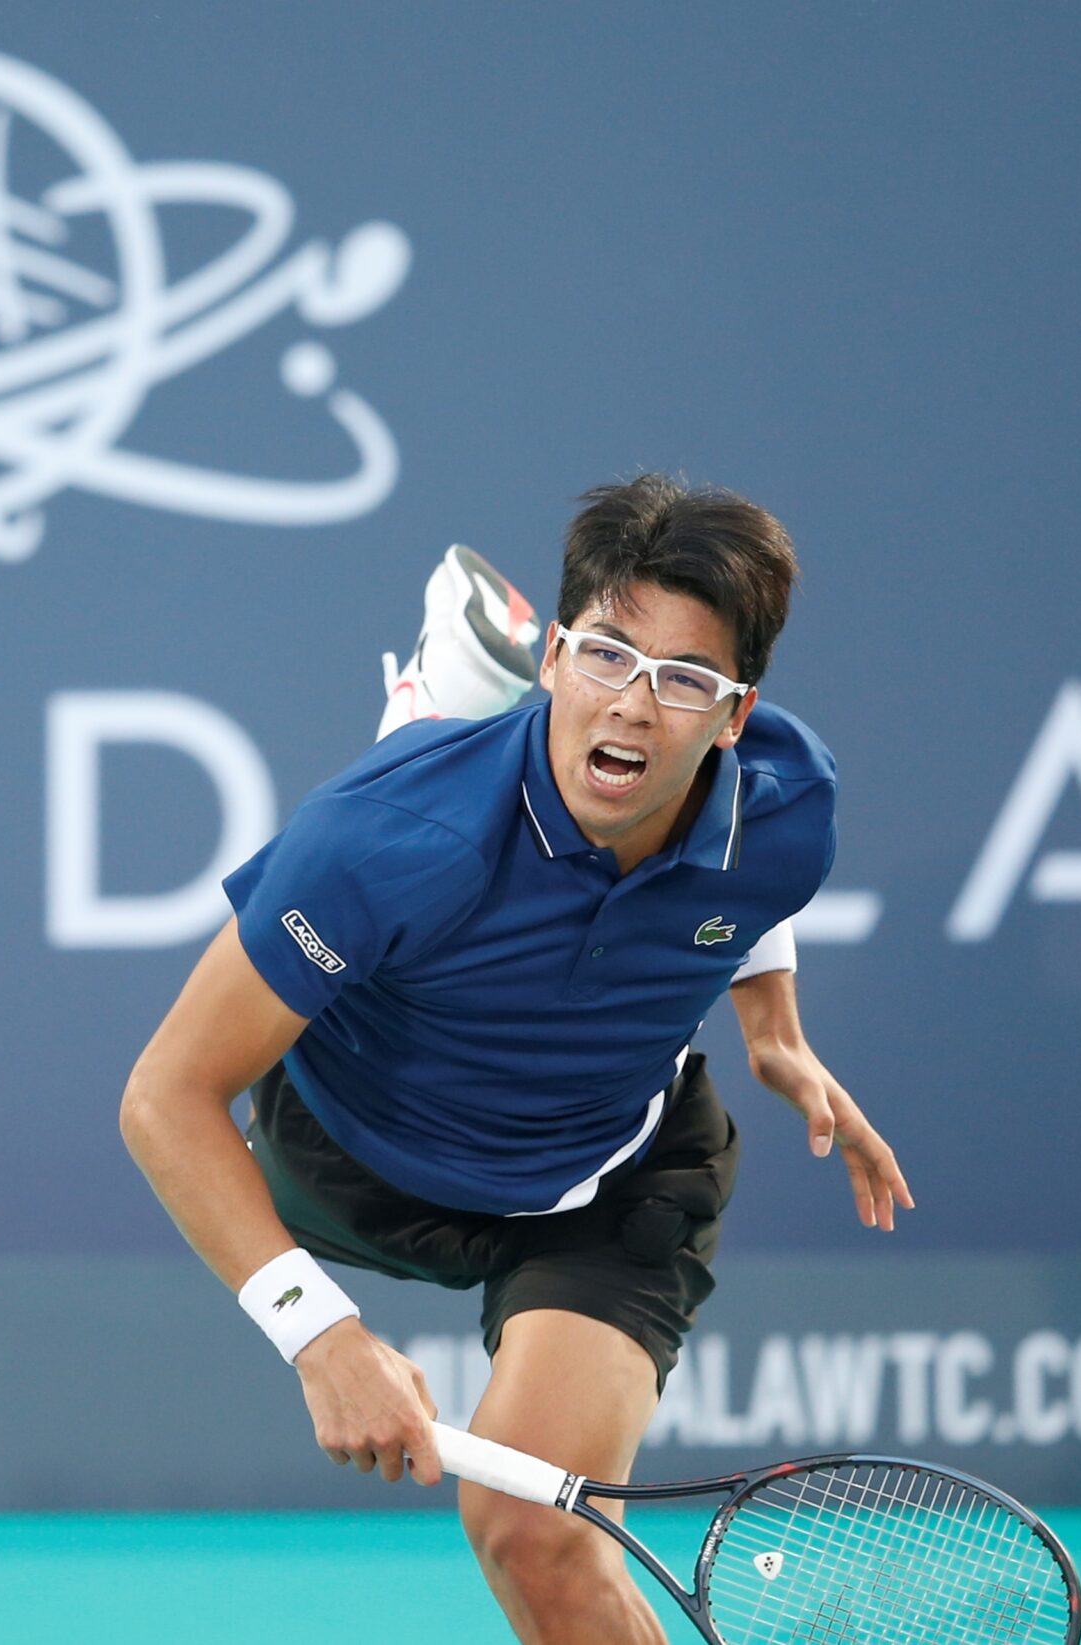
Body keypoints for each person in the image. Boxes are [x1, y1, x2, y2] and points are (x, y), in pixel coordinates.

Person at [119, 476, 915, 1645]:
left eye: (686, 680)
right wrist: (317, 1333)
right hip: (352, 1160)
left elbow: (742, 884)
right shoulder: (380, 838)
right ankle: (450, 696)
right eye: (604, 656)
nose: (638, 708)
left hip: (605, 1178)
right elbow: (164, 1096)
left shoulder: (790, 807)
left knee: (528, 1529)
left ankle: (476, 698)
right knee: (436, 804)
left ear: (736, 715)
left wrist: (771, 1029)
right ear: (557, 653)